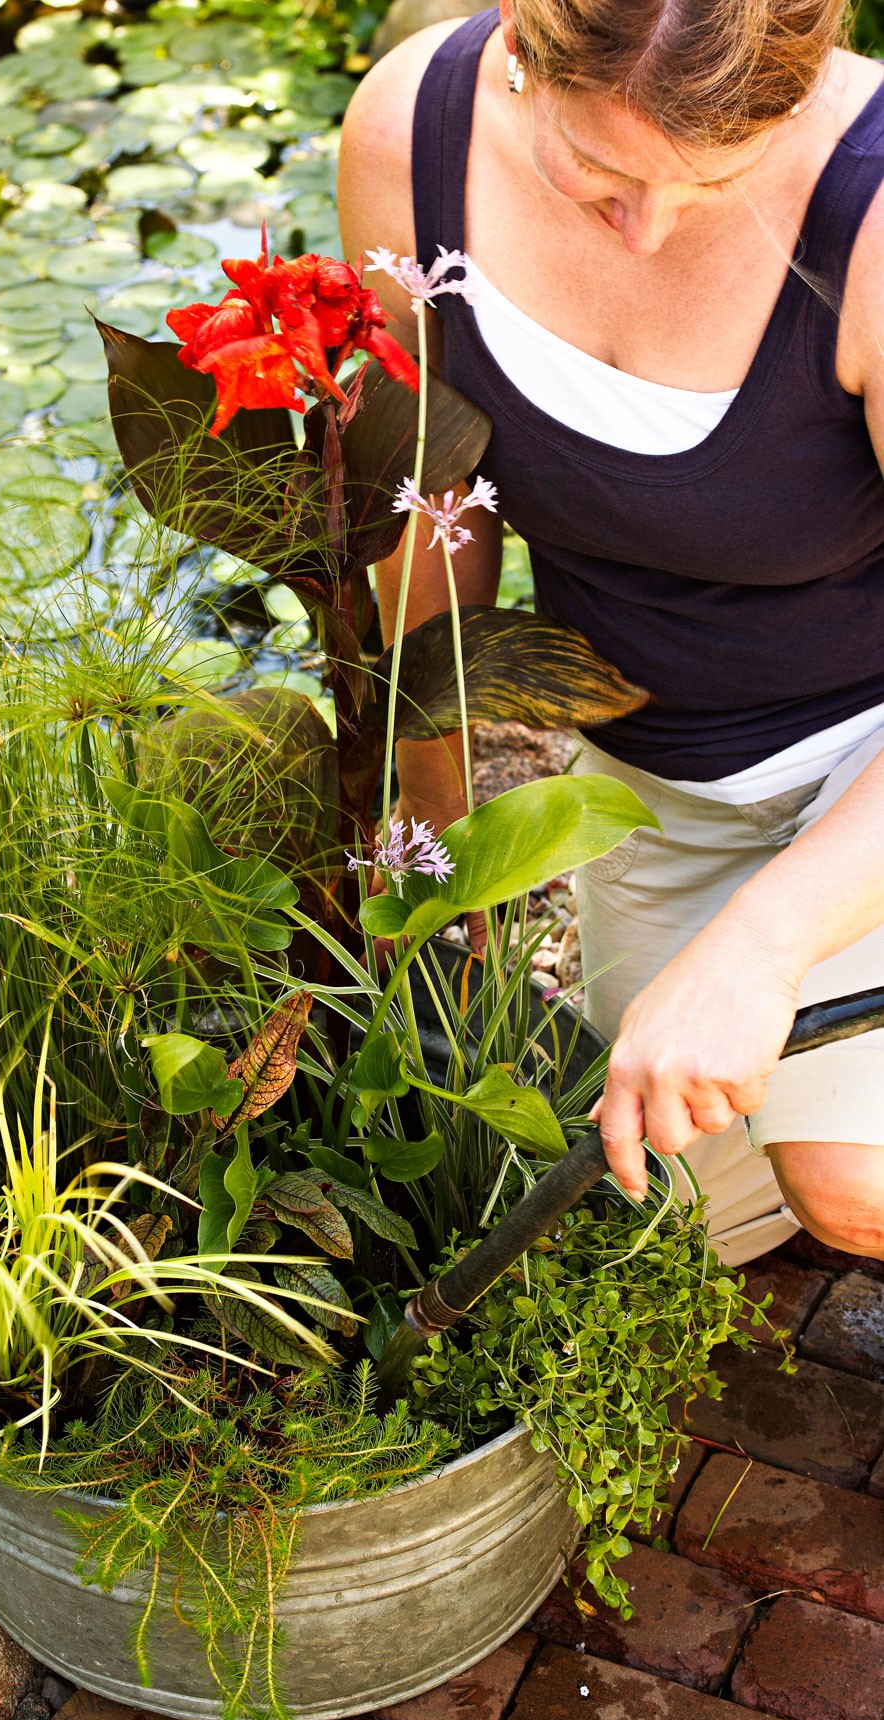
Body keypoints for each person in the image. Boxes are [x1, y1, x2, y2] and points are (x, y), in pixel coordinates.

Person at [338, 0, 884, 1267]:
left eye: (710, 182)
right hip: (653, 783)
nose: (645, 228)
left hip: (867, 777)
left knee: (848, 1186)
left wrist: (758, 947)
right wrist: (433, 845)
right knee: (643, 1216)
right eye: (595, 172)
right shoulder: (408, 133)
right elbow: (435, 498)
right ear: (520, 49)